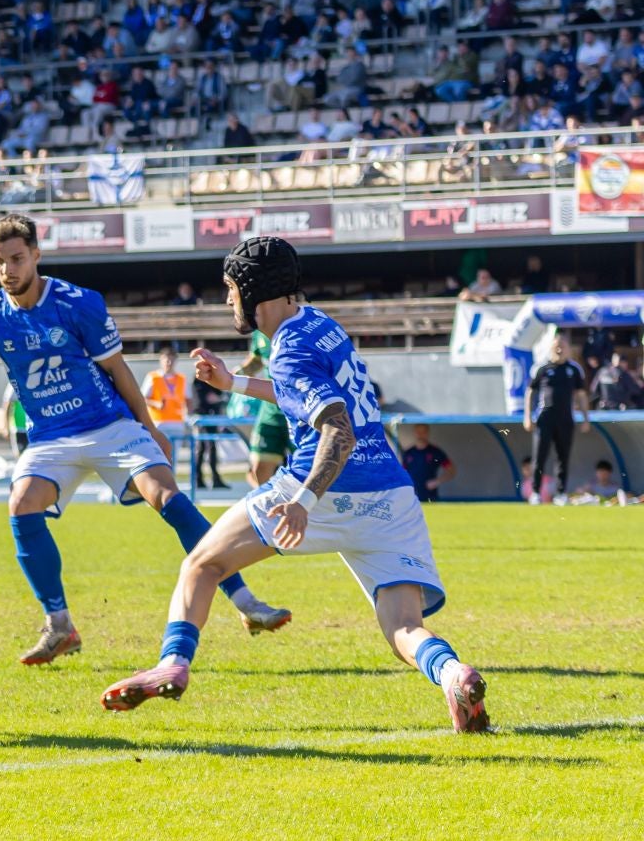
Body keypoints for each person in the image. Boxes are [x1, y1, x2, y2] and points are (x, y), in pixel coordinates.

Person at [102, 237, 490, 734]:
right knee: (402, 628)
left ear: (251, 289)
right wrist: (234, 384)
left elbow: (337, 429)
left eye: (229, 289)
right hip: (390, 493)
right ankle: (454, 675)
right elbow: (305, 395)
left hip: (322, 486)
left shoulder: (288, 349)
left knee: (201, 563)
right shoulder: (319, 324)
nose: (227, 301)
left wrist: (304, 499)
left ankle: (173, 663)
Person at [0, 214, 288, 665]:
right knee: (21, 504)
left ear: (36, 257)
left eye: (16, 259)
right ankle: (60, 626)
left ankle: (247, 603)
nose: (7, 270)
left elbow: (117, 369)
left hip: (111, 426)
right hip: (50, 438)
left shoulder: (78, 302)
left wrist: (150, 427)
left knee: (167, 497)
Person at [524, 335, 589, 503]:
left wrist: (586, 418)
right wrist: (527, 417)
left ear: (569, 349)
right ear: (551, 348)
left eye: (563, 346)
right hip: (545, 418)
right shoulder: (542, 368)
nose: (560, 349)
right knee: (540, 457)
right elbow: (530, 392)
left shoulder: (574, 369)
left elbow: (581, 395)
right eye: (556, 346)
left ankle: (561, 494)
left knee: (563, 457)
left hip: (565, 419)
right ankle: (536, 493)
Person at [233, 327, 291, 487]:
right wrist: (234, 374)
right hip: (270, 410)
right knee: (258, 467)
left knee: (307, 468)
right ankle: (267, 508)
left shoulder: (296, 327)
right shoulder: (259, 332)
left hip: (298, 411)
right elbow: (257, 360)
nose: (230, 300)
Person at [191, 361, 229, 490]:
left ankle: (213, 478)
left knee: (209, 447)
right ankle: (199, 479)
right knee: (203, 448)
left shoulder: (213, 380)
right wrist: (216, 399)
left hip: (212, 416)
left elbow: (218, 395)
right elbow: (206, 398)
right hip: (202, 417)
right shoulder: (198, 380)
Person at [399, 423, 454, 503]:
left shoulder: (436, 452)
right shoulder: (408, 453)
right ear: (414, 433)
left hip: (430, 498)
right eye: (418, 432)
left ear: (428, 433)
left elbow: (451, 470)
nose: (421, 435)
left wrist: (437, 481)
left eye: (423, 432)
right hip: (412, 498)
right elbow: (402, 474)